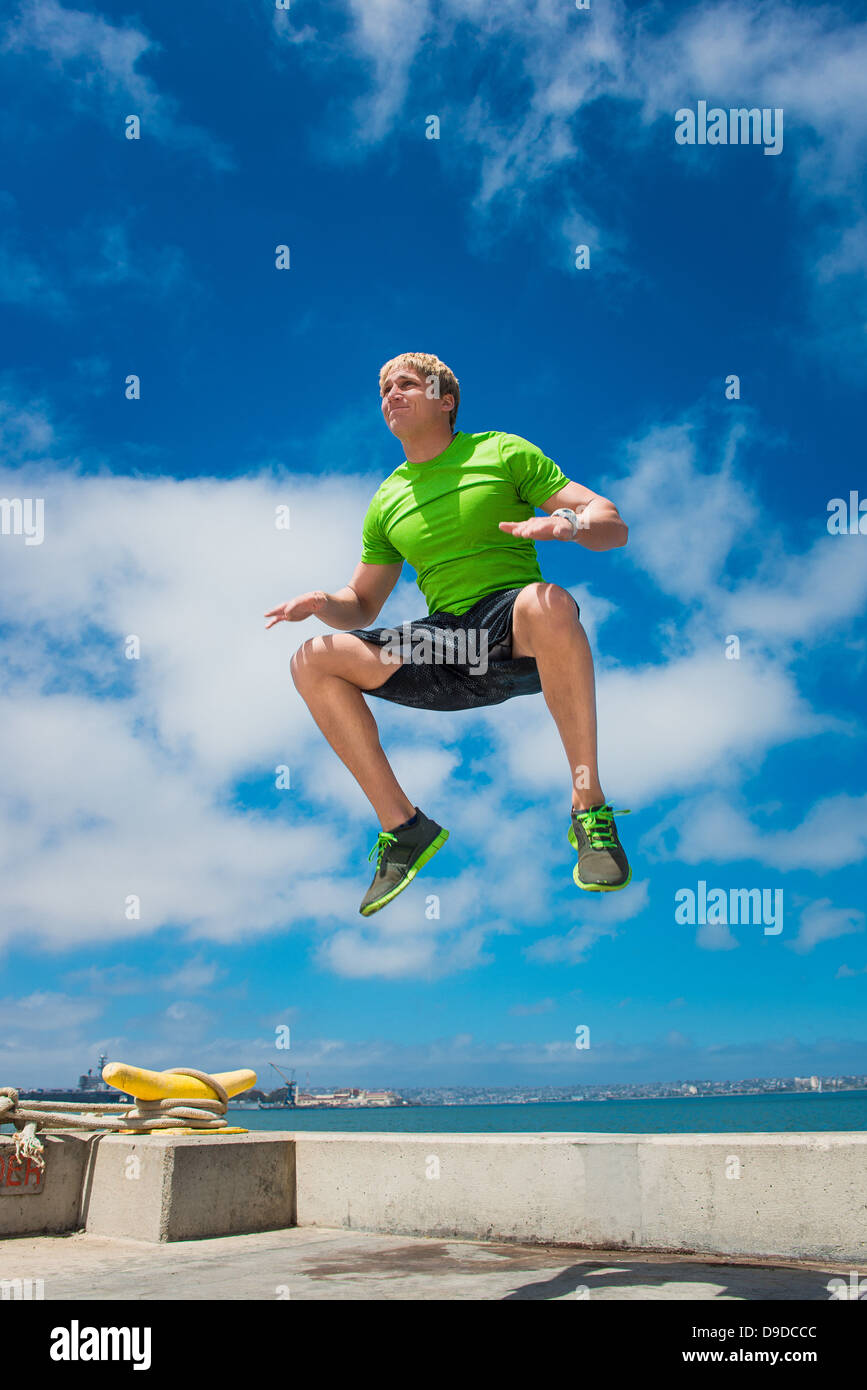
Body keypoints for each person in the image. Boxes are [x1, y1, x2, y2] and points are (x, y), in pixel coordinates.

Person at [265, 352, 631, 916]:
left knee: (550, 601)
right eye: (384, 389)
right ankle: (404, 829)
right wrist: (322, 604)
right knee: (311, 658)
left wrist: (569, 524)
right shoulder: (388, 498)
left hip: (514, 630)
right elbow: (361, 604)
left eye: (406, 384)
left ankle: (588, 808)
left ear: (446, 399)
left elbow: (611, 524)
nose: (391, 395)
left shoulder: (502, 452)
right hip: (447, 645)